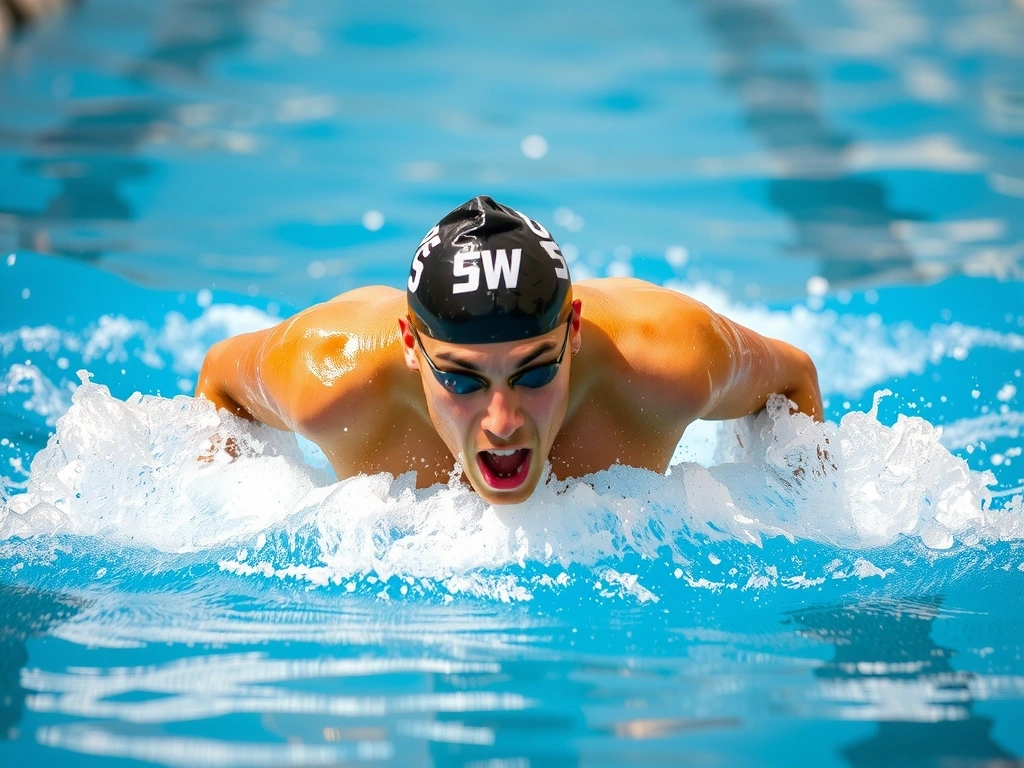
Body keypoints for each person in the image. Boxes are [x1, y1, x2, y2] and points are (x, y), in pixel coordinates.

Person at [196, 196, 822, 504]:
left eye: (534, 370)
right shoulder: (328, 375)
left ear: (573, 330)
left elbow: (794, 377)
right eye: (464, 380)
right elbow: (221, 381)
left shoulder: (668, 363)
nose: (503, 422)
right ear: (412, 346)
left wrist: (796, 511)